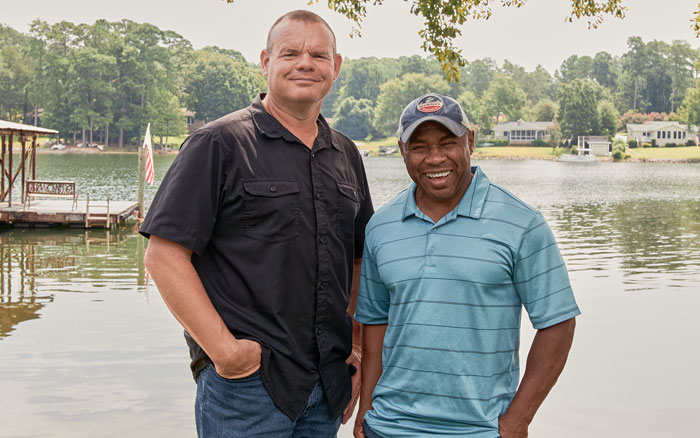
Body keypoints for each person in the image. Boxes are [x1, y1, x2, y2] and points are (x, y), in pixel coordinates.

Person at [141, 10, 373, 438]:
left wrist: (356, 345)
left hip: (327, 387)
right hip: (247, 390)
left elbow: (358, 260)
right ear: (266, 62)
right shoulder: (219, 143)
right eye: (290, 53)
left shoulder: (346, 154)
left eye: (319, 55)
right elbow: (164, 255)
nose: (305, 63)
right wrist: (225, 352)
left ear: (335, 67)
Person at [353, 93, 579, 438]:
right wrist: (366, 409)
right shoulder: (380, 227)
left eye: (447, 143)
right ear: (402, 151)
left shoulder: (522, 223)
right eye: (419, 147)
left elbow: (558, 322)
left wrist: (518, 419)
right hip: (389, 427)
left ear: (469, 141)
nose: (435, 158)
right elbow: (374, 322)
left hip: (481, 430)